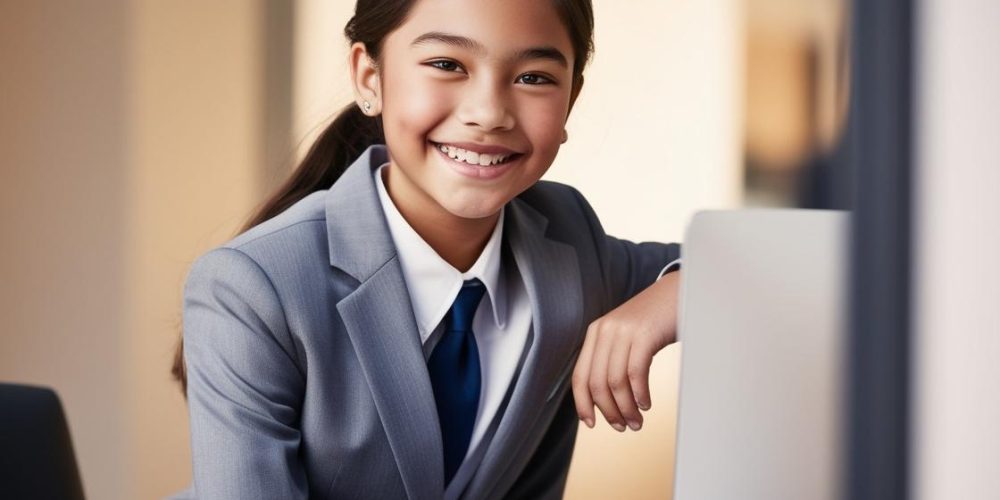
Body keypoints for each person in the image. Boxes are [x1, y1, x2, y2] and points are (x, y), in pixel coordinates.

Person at [171, 0, 682, 498]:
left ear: (570, 99)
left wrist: (666, 300)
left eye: (533, 77)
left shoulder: (570, 239)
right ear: (370, 78)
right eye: (446, 64)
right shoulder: (251, 286)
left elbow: (752, 264)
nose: (488, 114)